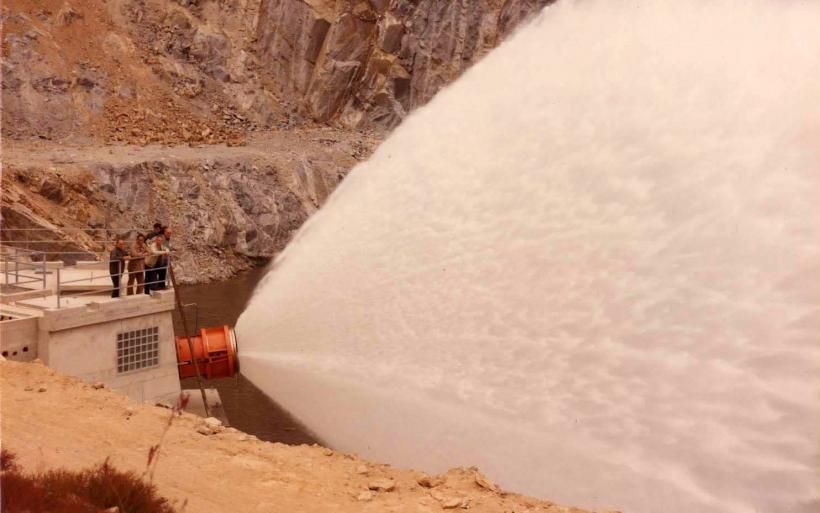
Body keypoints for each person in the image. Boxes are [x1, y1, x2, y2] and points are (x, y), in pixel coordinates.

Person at [143, 222, 163, 294]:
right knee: (149, 275)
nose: (157, 230)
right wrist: (147, 249)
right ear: (154, 228)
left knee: (155, 274)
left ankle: (152, 289)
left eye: (158, 229)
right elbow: (144, 242)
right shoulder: (150, 235)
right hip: (150, 258)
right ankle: (148, 290)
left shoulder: (161, 235)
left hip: (157, 258)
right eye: (156, 228)